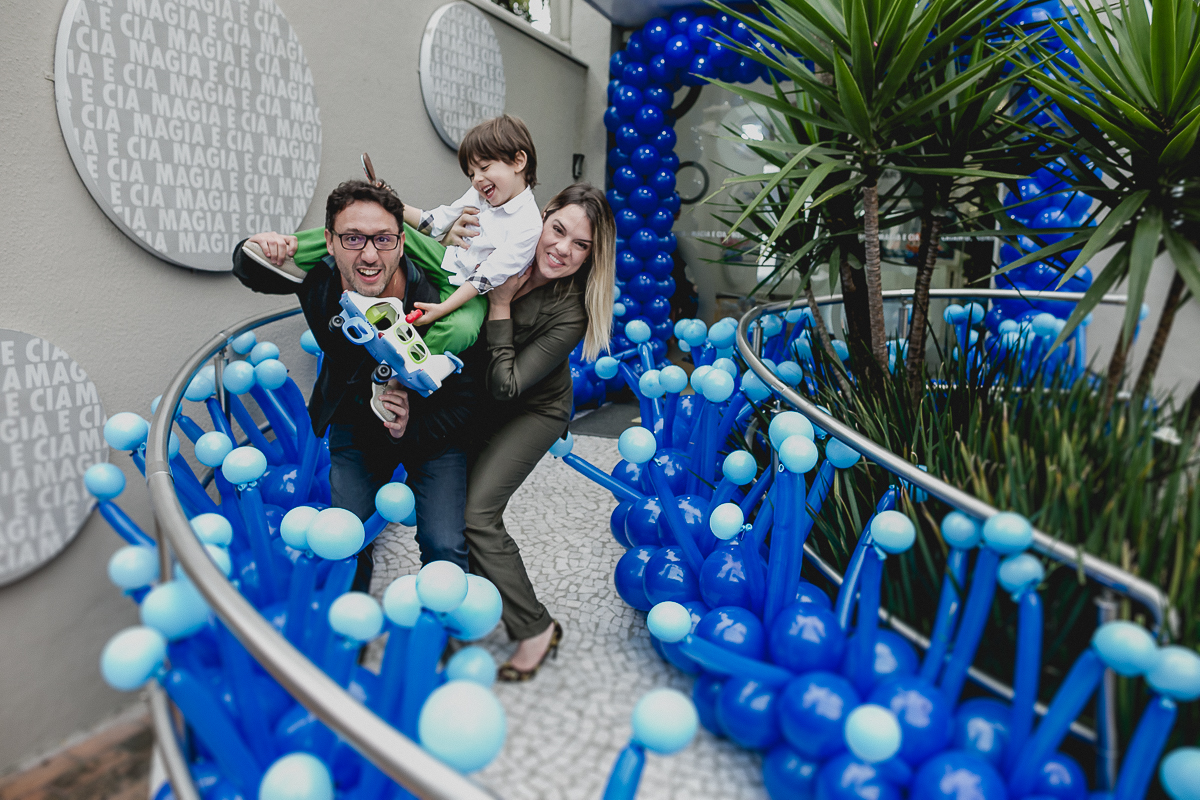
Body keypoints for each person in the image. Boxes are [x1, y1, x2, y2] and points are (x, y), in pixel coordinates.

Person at [231, 180, 478, 587]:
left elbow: (470, 393)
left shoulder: (442, 298)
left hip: (437, 428)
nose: (368, 254)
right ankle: (352, 638)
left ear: (402, 242)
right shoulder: (320, 281)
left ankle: (444, 639)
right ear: (328, 242)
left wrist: (411, 418)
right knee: (345, 540)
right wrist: (253, 245)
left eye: (382, 239)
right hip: (355, 424)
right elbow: (250, 271)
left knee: (445, 544)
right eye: (352, 238)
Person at [456, 183, 616, 681]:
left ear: (592, 256)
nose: (563, 249)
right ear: (542, 218)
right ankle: (475, 610)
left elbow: (508, 385)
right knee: (454, 512)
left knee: (478, 515)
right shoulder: (507, 245)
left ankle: (535, 627)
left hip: (533, 411)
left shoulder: (570, 311)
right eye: (559, 229)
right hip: (478, 401)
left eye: (581, 245)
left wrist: (501, 304)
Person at [402, 115, 543, 327]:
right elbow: (434, 223)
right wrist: (391, 203)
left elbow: (483, 278)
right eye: (471, 174)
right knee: (390, 223)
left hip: (472, 292)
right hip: (445, 258)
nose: (476, 179)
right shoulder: (480, 193)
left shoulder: (528, 225)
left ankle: (412, 359)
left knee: (461, 330)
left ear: (518, 161)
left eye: (484, 168)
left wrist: (442, 309)